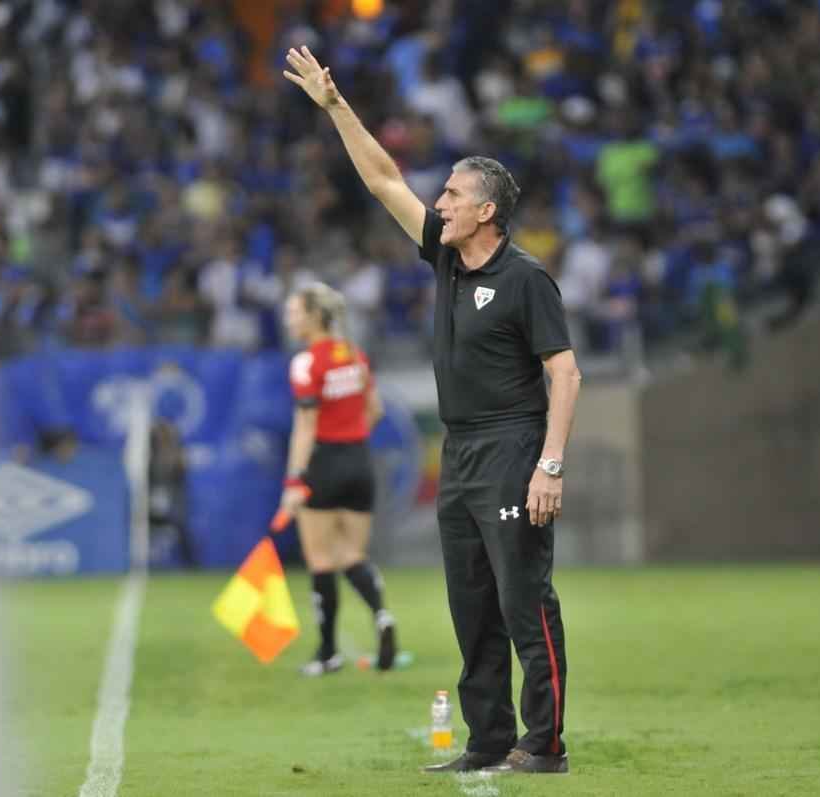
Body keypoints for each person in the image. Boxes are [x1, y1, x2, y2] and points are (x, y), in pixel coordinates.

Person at [284, 46, 581, 774]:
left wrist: (549, 464)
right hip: (462, 449)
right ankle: (486, 739)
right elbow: (384, 178)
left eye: (451, 194)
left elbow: (566, 373)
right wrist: (335, 106)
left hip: (515, 446)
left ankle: (544, 743)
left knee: (524, 600)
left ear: (486, 212)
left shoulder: (525, 279)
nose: (438, 202)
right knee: (472, 605)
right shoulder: (448, 258)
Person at [275, 282, 398, 675]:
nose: (289, 319)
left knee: (322, 560)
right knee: (352, 556)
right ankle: (381, 615)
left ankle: (328, 652)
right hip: (360, 461)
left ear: (314, 316)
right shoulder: (356, 358)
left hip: (324, 463)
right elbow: (375, 410)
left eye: (294, 312)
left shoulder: (306, 362)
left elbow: (306, 425)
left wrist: (295, 479)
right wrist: (351, 436)